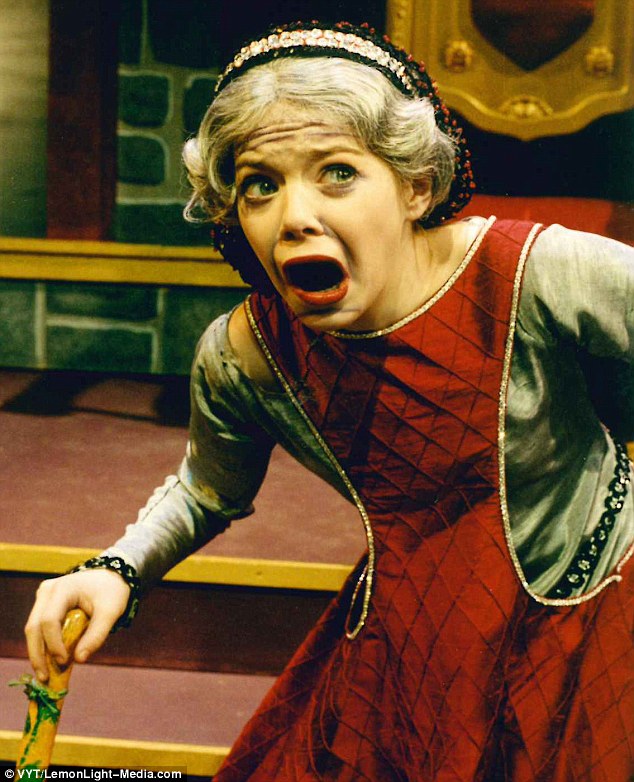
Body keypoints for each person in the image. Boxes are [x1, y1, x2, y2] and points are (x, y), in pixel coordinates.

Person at [25, 20, 633, 782]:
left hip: (597, 623)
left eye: (337, 172)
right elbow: (208, 489)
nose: (295, 216)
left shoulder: (537, 273)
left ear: (416, 186)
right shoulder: (249, 353)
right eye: (261, 185)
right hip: (419, 652)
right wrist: (117, 568)